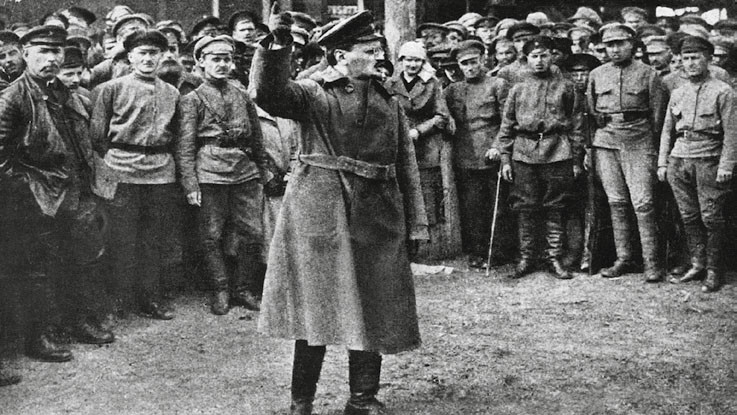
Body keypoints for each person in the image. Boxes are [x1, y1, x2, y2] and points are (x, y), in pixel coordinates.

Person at [252, 10, 428, 415]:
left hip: (378, 215)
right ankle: (302, 402)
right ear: (339, 56)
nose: (379, 56)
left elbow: (406, 164)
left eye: (379, 49)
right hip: (321, 214)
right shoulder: (314, 92)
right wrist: (277, 47)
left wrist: (416, 224)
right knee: (314, 312)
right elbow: (268, 93)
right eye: (369, 50)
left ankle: (361, 399)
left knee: (374, 305)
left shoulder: (389, 99)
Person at [0, 25, 114, 362]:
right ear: (26, 55)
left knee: (82, 258)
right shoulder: (12, 98)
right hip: (37, 196)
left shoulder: (65, 92)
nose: (51, 59)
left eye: (56, 52)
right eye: (43, 52)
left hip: (75, 190)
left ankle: (79, 322)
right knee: (38, 269)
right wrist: (26, 189)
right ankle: (40, 336)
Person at [90, 29, 181, 320]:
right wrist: (114, 163)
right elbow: (97, 136)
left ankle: (150, 298)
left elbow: (176, 135)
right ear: (130, 56)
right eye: (142, 53)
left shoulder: (172, 93)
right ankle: (120, 299)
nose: (148, 59)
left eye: (154, 53)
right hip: (122, 170)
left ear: (163, 56)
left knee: (153, 239)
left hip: (160, 172)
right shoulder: (111, 89)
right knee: (121, 238)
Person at [178, 35, 272, 315]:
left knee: (252, 233)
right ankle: (220, 289)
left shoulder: (241, 95)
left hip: (245, 171)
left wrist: (262, 170)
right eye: (215, 59)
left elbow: (256, 137)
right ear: (201, 61)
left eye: (227, 59)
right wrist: (190, 184)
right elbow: (185, 146)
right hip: (209, 171)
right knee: (211, 235)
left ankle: (243, 289)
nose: (222, 65)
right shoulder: (192, 99)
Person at [494, 36, 584, 279]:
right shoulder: (518, 89)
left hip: (558, 151)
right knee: (525, 206)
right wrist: (505, 158)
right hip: (524, 152)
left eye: (544, 55)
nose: (540, 61)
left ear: (552, 56)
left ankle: (554, 258)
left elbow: (576, 125)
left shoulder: (566, 87)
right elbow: (507, 125)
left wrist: (576, 160)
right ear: (527, 59)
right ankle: (526, 258)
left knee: (556, 205)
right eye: (534, 56)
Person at [587, 23, 668, 282]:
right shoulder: (597, 74)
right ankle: (624, 258)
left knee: (643, 203)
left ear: (632, 45)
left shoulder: (648, 74)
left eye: (620, 43)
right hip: (606, 142)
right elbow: (591, 112)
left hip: (638, 141)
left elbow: (658, 116)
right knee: (616, 201)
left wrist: (652, 147)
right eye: (609, 45)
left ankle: (651, 262)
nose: (615, 49)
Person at [657, 36, 737, 293]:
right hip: (679, 159)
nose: (690, 63)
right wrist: (662, 163)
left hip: (709, 159)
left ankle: (714, 270)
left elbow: (732, 133)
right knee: (688, 216)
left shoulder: (723, 91)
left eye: (696, 58)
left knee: (711, 217)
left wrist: (726, 165)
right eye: (686, 58)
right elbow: (667, 130)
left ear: (709, 60)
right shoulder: (678, 92)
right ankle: (697, 263)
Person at [385, 40, 457, 260]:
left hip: (425, 148)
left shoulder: (432, 84)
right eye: (408, 60)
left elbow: (442, 116)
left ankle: (426, 248)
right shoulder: (390, 84)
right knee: (400, 194)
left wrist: (419, 130)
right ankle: (401, 247)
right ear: (401, 61)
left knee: (426, 196)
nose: (412, 65)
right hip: (397, 147)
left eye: (417, 60)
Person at [445, 40, 512, 268]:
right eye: (464, 64)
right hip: (465, 156)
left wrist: (498, 146)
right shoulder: (453, 90)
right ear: (459, 66)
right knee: (472, 207)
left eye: (474, 62)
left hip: (492, 155)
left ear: (483, 60)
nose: (470, 67)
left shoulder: (498, 84)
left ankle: (498, 252)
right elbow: (442, 112)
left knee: (497, 207)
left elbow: (507, 121)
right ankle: (477, 252)